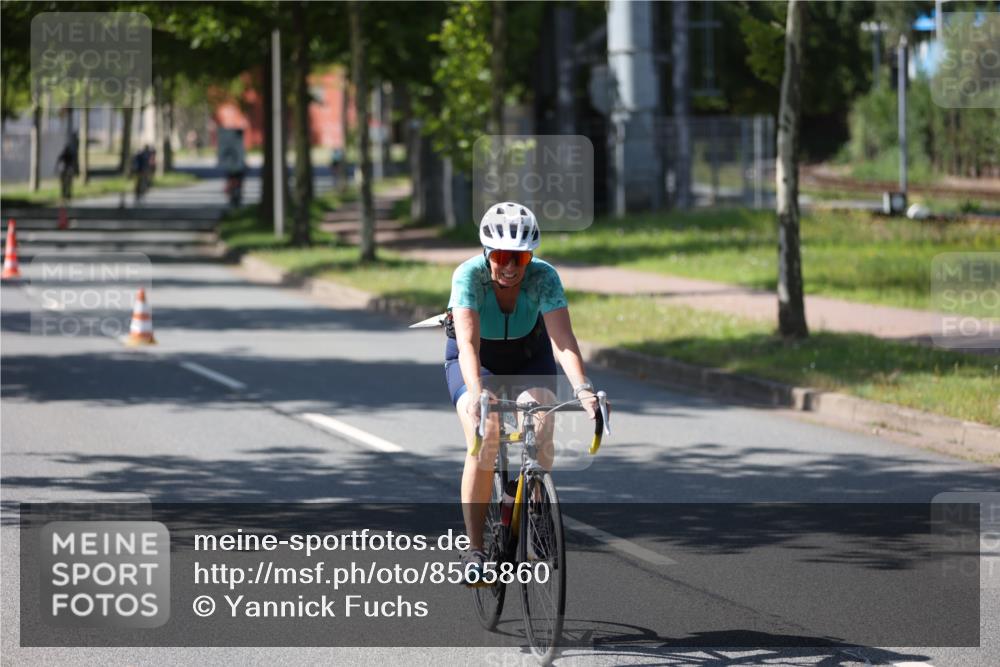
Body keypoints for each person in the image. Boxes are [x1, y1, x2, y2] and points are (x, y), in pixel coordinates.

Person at [445, 202, 602, 584]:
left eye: (520, 257)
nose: (511, 266)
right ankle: (475, 549)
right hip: (476, 359)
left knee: (543, 415)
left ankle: (535, 507)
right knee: (487, 434)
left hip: (528, 355)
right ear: (487, 253)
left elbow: (562, 341)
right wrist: (480, 398)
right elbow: (467, 344)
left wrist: (584, 392)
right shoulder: (467, 276)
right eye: (501, 256)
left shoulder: (544, 277)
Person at [55, 136, 78, 202]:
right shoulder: (70, 154)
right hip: (67, 170)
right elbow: (73, 163)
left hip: (64, 170)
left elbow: (58, 162)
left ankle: (64, 194)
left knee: (64, 184)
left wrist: (56, 169)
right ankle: (67, 194)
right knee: (68, 183)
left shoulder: (63, 154)